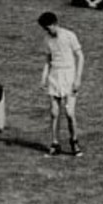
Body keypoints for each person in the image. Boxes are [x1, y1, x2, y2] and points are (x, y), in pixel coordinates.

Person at [37, 12, 84, 157]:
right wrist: (43, 78)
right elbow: (48, 60)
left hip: (68, 76)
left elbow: (80, 57)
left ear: (55, 23)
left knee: (70, 113)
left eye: (49, 27)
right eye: (45, 28)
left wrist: (77, 79)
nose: (48, 30)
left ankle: (74, 142)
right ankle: (54, 143)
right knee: (54, 113)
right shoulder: (47, 39)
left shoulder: (70, 35)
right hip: (54, 77)